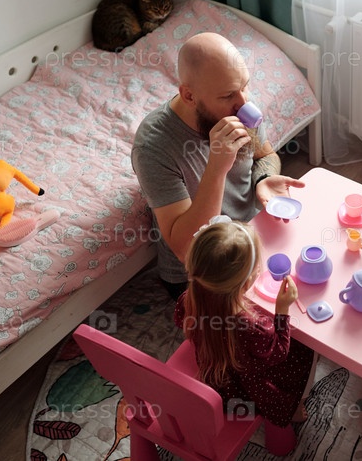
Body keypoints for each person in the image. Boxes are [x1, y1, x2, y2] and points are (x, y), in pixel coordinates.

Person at [131, 32, 305, 299]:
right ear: (189, 96)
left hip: (250, 234)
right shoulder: (153, 148)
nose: (244, 103)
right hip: (203, 270)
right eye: (227, 95)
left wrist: (263, 178)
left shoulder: (240, 106)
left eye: (244, 86)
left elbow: (265, 155)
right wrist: (216, 167)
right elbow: (186, 249)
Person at [174, 217, 314, 428]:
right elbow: (279, 352)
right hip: (247, 392)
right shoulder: (252, 327)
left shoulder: (189, 299)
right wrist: (282, 310)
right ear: (247, 282)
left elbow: (179, 320)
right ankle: (291, 408)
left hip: (219, 377)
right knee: (306, 350)